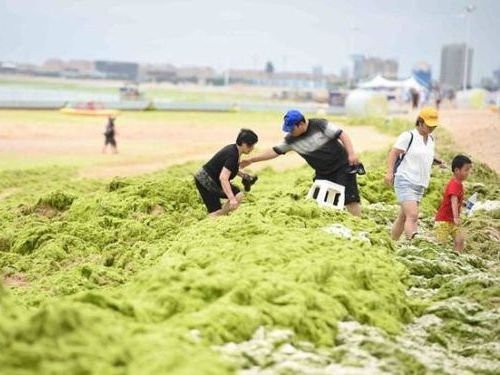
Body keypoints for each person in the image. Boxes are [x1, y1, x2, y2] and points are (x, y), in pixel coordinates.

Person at [240, 110, 363, 216]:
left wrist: (351, 153)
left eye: (292, 129)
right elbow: (275, 151)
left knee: (349, 198)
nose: (290, 132)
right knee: (321, 200)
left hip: (342, 165)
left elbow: (342, 135)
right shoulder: (291, 140)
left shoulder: (320, 125)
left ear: (301, 124)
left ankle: (356, 222)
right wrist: (251, 160)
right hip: (323, 172)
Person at [384, 106, 445, 241]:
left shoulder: (431, 140)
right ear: (420, 121)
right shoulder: (408, 136)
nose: (431, 129)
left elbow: (423, 156)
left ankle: (391, 243)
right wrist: (389, 173)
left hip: (420, 184)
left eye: (433, 126)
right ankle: (415, 244)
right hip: (405, 180)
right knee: (412, 216)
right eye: (429, 125)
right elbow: (393, 153)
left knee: (403, 217)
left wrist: (436, 161)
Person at [194, 129, 258, 217]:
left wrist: (244, 175)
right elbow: (223, 178)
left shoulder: (233, 149)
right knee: (234, 198)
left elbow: (229, 168)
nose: (252, 148)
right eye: (250, 145)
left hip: (207, 179)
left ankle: (218, 215)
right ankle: (216, 216)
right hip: (206, 181)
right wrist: (232, 199)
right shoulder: (233, 155)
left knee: (235, 196)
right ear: (243, 143)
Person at [434, 155, 472, 253]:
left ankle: (456, 258)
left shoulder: (459, 184)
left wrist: (463, 203)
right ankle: (439, 259)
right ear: (456, 170)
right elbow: (453, 201)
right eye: (466, 170)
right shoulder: (454, 184)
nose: (468, 173)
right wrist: (456, 217)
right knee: (440, 245)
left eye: (469, 170)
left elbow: (456, 199)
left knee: (460, 240)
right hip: (443, 221)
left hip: (451, 221)